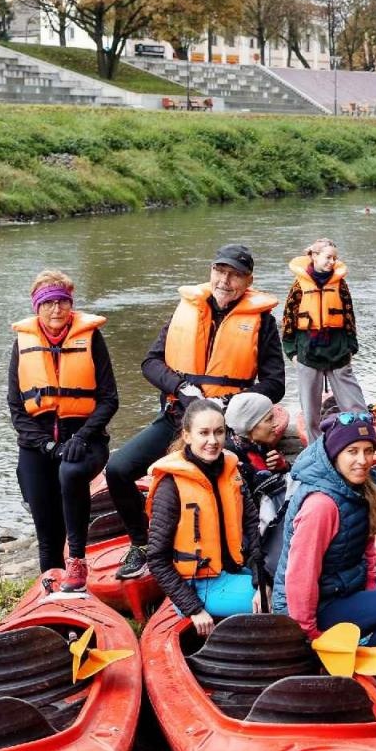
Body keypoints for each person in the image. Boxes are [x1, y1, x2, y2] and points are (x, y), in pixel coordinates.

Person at [110, 244, 284, 580]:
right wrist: (181, 388)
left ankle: (235, 551)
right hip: (179, 418)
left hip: (224, 426)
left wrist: (231, 402)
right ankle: (143, 544)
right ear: (211, 272)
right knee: (117, 469)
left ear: (248, 281)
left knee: (234, 480)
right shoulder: (187, 310)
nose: (224, 280)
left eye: (234, 274)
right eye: (220, 271)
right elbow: (150, 363)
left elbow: (274, 383)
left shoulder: (262, 321)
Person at [272, 412, 376, 646]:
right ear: (334, 454)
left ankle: (361, 655)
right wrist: (306, 633)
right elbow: (301, 575)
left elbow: (365, 546)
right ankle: (357, 671)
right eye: (352, 451)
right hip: (316, 605)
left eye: (368, 450)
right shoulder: (321, 505)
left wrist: (370, 585)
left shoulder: (359, 490)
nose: (363, 460)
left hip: (345, 586)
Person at [7, 271, 118, 593]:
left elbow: (109, 399)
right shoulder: (23, 343)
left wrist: (81, 437)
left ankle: (78, 561)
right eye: (49, 303)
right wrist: (47, 446)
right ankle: (51, 588)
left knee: (70, 474)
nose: (56, 309)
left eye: (62, 302)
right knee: (46, 525)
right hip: (37, 444)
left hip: (86, 438)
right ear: (37, 307)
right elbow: (16, 408)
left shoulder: (91, 339)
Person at [146, 400, 260, 636]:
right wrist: (193, 609)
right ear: (187, 436)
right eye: (204, 433)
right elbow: (157, 559)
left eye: (219, 432)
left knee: (285, 584)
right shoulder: (171, 486)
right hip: (199, 586)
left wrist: (260, 579)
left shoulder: (231, 471)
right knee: (282, 599)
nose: (213, 441)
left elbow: (252, 525)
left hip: (233, 570)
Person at [282, 237, 365, 431]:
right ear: (314, 256)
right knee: (311, 415)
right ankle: (316, 451)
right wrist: (291, 352)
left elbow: (349, 316)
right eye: (328, 257)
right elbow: (288, 319)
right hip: (308, 352)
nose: (332, 262)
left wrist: (351, 347)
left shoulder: (340, 285)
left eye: (335, 258)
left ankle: (358, 439)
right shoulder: (298, 286)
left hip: (338, 352)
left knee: (356, 408)